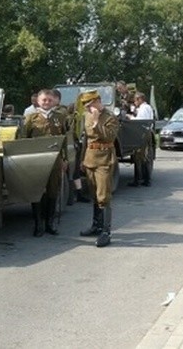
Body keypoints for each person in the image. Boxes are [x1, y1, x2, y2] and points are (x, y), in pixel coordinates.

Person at [21, 89, 68, 237]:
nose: (46, 102)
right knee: (37, 190)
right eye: (43, 100)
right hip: (37, 161)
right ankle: (38, 224)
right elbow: (23, 139)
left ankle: (50, 224)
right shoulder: (30, 118)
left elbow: (64, 139)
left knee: (53, 191)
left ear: (54, 101)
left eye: (49, 100)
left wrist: (65, 159)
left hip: (55, 160)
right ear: (38, 101)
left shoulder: (60, 117)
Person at [78, 89, 119, 248]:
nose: (88, 109)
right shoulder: (86, 116)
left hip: (104, 160)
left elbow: (109, 137)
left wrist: (96, 123)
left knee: (103, 196)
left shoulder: (110, 117)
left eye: (90, 105)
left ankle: (106, 232)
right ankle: (96, 225)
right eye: (86, 106)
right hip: (90, 158)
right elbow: (86, 140)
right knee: (94, 194)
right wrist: (82, 159)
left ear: (98, 101)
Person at [127, 92, 154, 187]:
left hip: (143, 133)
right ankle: (145, 179)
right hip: (146, 132)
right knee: (143, 157)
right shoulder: (146, 107)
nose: (134, 102)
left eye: (135, 100)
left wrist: (130, 118)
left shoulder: (144, 108)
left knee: (139, 157)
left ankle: (139, 180)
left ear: (140, 99)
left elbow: (140, 121)